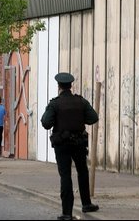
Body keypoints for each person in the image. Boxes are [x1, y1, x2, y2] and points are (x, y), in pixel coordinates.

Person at [41, 72, 100, 220]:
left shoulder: (54, 103)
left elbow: (46, 123)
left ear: (59, 86)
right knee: (82, 172)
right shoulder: (81, 102)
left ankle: (67, 213)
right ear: (71, 86)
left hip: (62, 144)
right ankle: (86, 204)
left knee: (65, 176)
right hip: (79, 142)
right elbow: (93, 118)